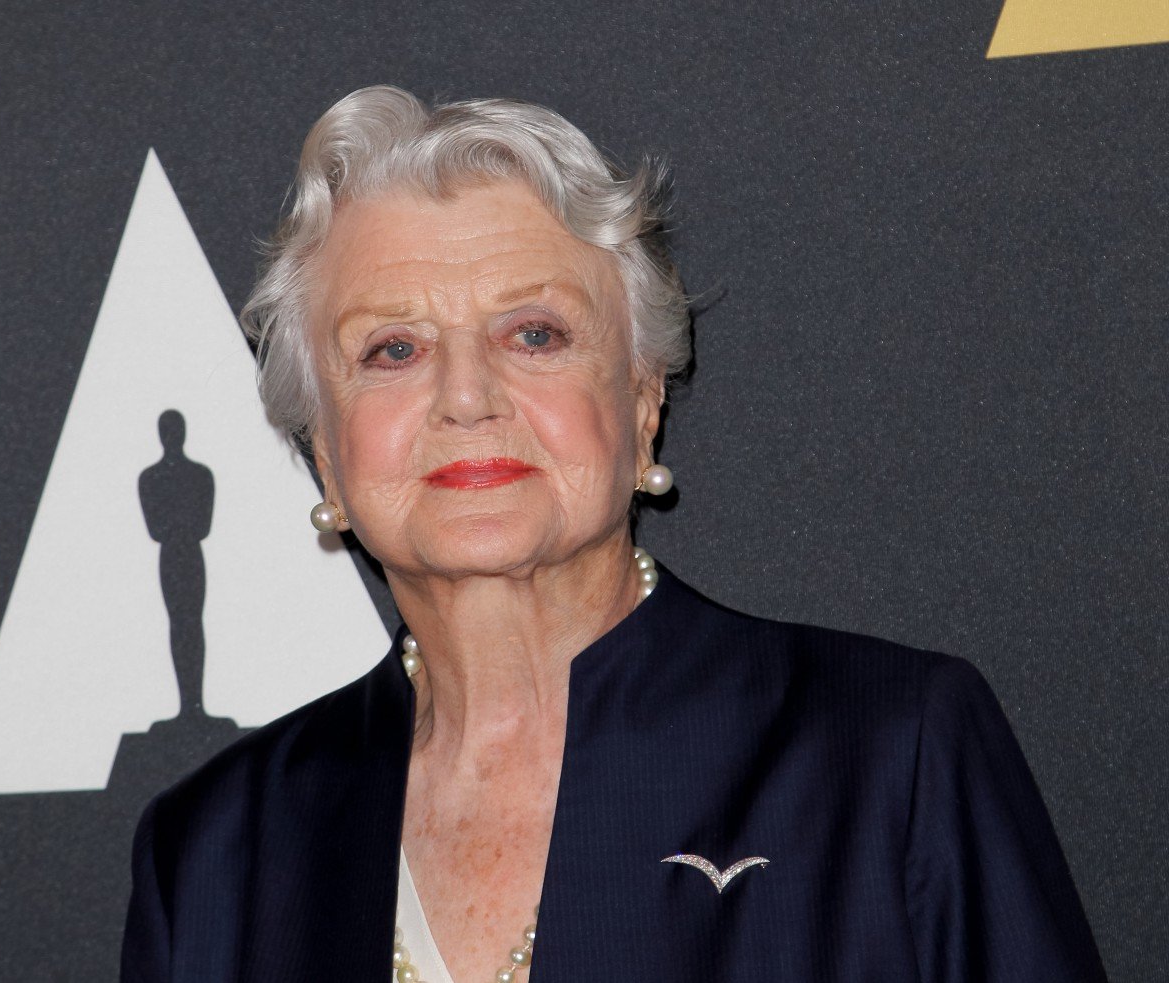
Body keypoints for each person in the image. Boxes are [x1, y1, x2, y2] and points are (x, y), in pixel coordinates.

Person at [120, 85, 1107, 983]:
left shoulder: (888, 753)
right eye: (392, 348)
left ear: (640, 405)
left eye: (533, 334)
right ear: (327, 454)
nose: (465, 396)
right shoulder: (216, 851)